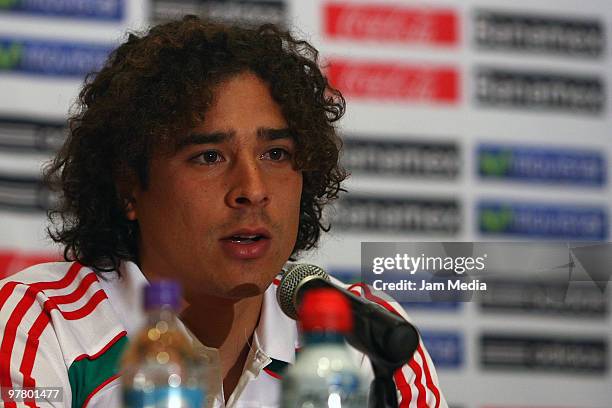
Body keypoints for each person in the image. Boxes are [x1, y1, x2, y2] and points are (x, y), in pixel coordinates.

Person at [0, 16, 448, 408]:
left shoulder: (366, 338)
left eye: (275, 153)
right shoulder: (42, 326)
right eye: (209, 157)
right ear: (129, 188)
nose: (252, 190)